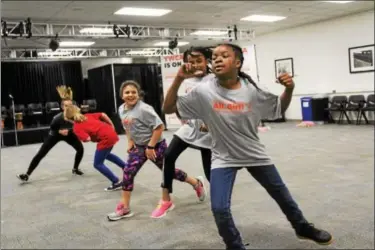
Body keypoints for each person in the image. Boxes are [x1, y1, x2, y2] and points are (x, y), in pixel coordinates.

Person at [163, 43, 333, 249]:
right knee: (219, 209)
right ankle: (234, 245)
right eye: (214, 56)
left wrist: (289, 89)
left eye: (224, 55)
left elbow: (278, 109)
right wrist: (179, 78)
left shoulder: (252, 90)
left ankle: (302, 227)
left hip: (254, 153)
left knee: (281, 194)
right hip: (223, 156)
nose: (217, 59)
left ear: (237, 62)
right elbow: (168, 107)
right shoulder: (203, 91)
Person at [107, 80, 206, 221]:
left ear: (138, 94)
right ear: (122, 95)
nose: (130, 95)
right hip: (139, 148)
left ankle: (196, 183)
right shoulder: (122, 109)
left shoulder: (144, 109)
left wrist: (151, 146)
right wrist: (130, 141)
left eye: (133, 92)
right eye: (127, 92)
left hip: (155, 146)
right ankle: (124, 207)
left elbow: (159, 127)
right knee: (128, 172)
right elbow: (127, 126)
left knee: (169, 172)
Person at [153, 47, 213, 219]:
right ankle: (165, 200)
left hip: (209, 131)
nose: (195, 65)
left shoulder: (215, 79)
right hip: (190, 127)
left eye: (198, 61)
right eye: (191, 62)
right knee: (168, 156)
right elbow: (177, 104)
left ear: (207, 61)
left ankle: (208, 191)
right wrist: (181, 116)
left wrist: (211, 122)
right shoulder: (187, 80)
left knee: (210, 172)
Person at [17, 86, 84, 182]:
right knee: (41, 154)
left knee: (80, 149)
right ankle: (27, 174)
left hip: (68, 134)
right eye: (66, 106)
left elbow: (79, 125)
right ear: (62, 107)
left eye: (70, 105)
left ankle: (75, 169)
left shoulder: (75, 115)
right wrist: (59, 131)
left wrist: (71, 130)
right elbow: (52, 128)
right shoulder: (57, 118)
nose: (68, 107)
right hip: (54, 135)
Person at [64, 104, 125, 191]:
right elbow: (103, 114)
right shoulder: (88, 115)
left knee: (97, 164)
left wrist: (81, 138)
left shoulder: (76, 127)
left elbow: (87, 139)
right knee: (106, 154)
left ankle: (116, 182)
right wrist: (112, 125)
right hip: (111, 133)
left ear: (67, 118)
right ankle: (125, 167)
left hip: (105, 139)